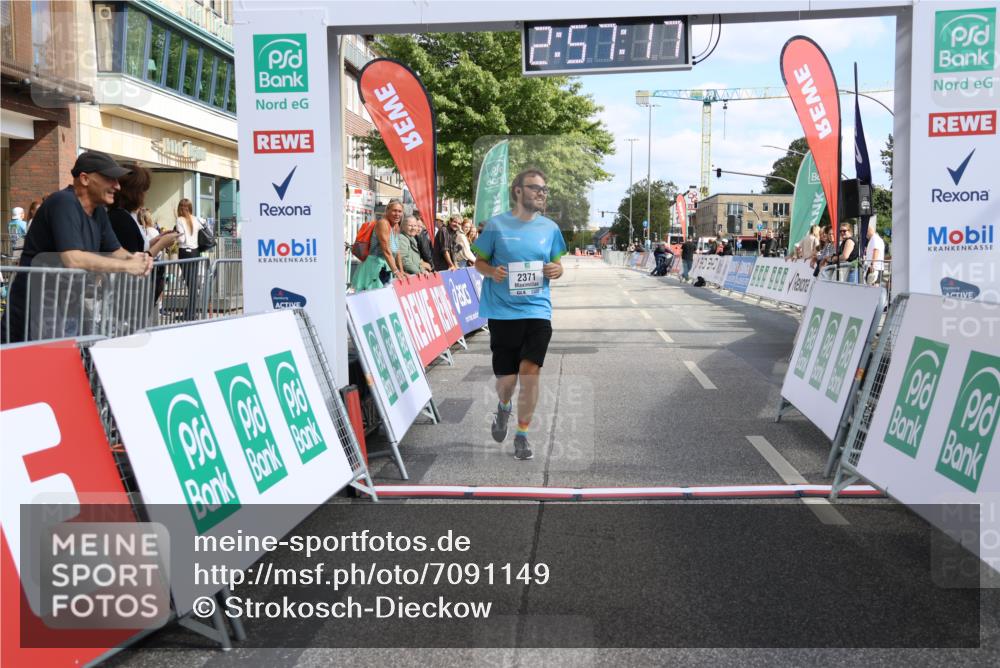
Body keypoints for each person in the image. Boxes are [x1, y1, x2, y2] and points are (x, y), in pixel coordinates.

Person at [2, 151, 152, 342]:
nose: (117, 186)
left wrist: (138, 259)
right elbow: (73, 258)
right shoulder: (63, 202)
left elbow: (116, 251)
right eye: (110, 179)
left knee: (64, 365)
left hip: (66, 307)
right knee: (32, 369)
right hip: (35, 309)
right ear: (85, 179)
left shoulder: (99, 212)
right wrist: (127, 266)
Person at [472, 168, 566, 461]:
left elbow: (557, 265)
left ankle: (522, 435)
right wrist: (492, 271)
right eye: (536, 188)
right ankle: (503, 407)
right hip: (502, 312)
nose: (541, 193)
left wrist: (557, 269)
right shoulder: (497, 226)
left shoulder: (550, 228)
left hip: (537, 310)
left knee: (530, 374)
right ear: (518, 191)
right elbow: (479, 262)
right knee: (507, 380)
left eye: (544, 189)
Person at [351, 199, 405, 290]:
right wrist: (396, 271)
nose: (397, 214)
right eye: (394, 210)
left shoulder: (396, 225)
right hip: (374, 267)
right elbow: (386, 251)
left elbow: (397, 250)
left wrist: (401, 270)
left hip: (385, 267)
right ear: (387, 210)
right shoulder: (383, 223)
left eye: (400, 211)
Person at [174, 198, 206, 320]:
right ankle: (191, 312)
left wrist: (175, 237)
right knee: (192, 285)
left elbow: (181, 240)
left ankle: (190, 313)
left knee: (190, 284)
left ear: (180, 208)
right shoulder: (196, 219)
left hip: (185, 253)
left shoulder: (180, 220)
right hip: (196, 252)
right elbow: (205, 225)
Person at [864, 219, 885, 286]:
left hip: (875, 268)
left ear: (868, 231)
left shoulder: (874, 239)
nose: (865, 235)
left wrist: (873, 264)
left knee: (873, 286)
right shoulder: (876, 238)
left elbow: (876, 250)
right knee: (874, 285)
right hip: (876, 267)